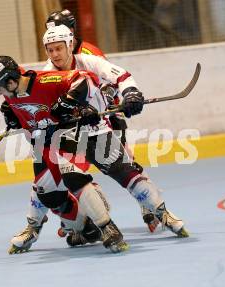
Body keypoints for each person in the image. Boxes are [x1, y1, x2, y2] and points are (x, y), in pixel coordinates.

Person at [0, 55, 130, 254]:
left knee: (71, 174)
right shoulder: (10, 96)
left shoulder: (45, 80)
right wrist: (13, 118)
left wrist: (69, 101)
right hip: (43, 143)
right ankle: (85, 227)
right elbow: (28, 118)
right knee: (48, 195)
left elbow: (86, 79)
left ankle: (107, 227)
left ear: (11, 81)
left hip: (70, 132)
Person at [46, 10, 160, 232]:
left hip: (106, 115)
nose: (54, 37)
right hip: (80, 124)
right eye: (49, 32)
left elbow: (108, 80)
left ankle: (149, 206)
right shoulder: (55, 56)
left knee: (125, 163)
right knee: (70, 170)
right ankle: (78, 215)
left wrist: (118, 100)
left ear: (71, 32)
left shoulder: (88, 53)